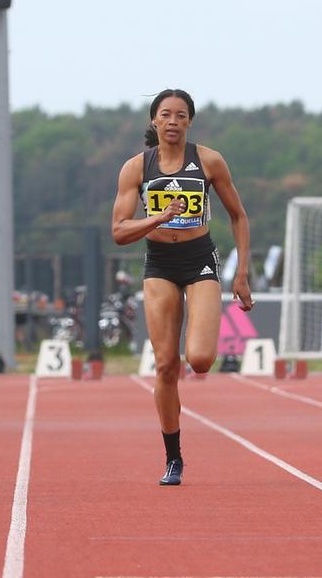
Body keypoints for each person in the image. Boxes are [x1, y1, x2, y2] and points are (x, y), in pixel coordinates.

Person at [111, 88, 254, 485]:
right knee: (165, 365)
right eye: (165, 115)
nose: (173, 122)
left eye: (180, 116)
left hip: (200, 259)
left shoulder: (208, 161)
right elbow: (119, 231)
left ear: (189, 121)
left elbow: (238, 216)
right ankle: (173, 457)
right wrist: (157, 219)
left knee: (202, 359)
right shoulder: (136, 168)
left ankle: (197, 360)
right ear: (153, 121)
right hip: (159, 264)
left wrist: (242, 273)